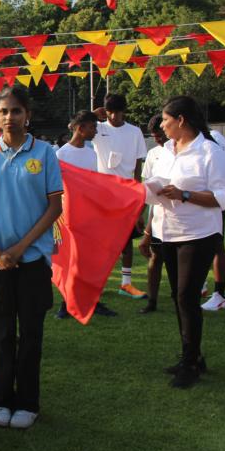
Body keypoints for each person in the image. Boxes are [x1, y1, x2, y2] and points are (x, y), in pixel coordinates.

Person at [0, 86, 63, 429]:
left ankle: (27, 403)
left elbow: (55, 207)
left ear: (28, 116)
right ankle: (1, 401)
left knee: (31, 334)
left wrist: (20, 248)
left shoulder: (45, 153)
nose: (10, 117)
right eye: (4, 111)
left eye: (16, 111)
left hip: (33, 261)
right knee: (1, 334)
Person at [138, 96, 225, 388]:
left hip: (198, 234)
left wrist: (185, 195)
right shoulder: (165, 150)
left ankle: (190, 364)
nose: (162, 126)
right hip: (167, 232)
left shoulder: (210, 151)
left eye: (166, 120)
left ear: (181, 120)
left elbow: (224, 197)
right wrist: (149, 192)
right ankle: (192, 356)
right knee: (179, 297)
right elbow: (158, 183)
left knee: (186, 297)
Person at [54, 110, 117, 318]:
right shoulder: (61, 155)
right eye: (92, 127)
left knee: (90, 260)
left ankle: (92, 301)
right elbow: (57, 187)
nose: (95, 131)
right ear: (80, 128)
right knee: (70, 259)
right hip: (68, 216)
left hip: (90, 215)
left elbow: (94, 184)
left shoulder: (92, 154)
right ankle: (66, 302)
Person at [92, 94, 148, 299]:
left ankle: (126, 283)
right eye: (110, 112)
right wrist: (92, 115)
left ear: (124, 111)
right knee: (101, 241)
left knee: (126, 239)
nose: (114, 116)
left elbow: (138, 165)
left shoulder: (134, 132)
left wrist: (137, 195)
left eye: (118, 112)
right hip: (102, 193)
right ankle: (97, 282)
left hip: (126, 194)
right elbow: (73, 127)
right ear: (105, 111)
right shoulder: (97, 128)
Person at [139, 114, 170, 314]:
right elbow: (147, 191)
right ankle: (152, 301)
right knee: (155, 257)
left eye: (160, 134)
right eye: (154, 136)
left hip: (179, 218)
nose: (158, 139)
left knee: (177, 263)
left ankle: (182, 297)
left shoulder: (181, 151)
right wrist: (143, 221)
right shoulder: (153, 154)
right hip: (158, 214)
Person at [203, 129, 225, 311]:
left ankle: (219, 294)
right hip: (205, 200)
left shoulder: (212, 139)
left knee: (215, 244)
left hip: (213, 199)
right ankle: (203, 286)